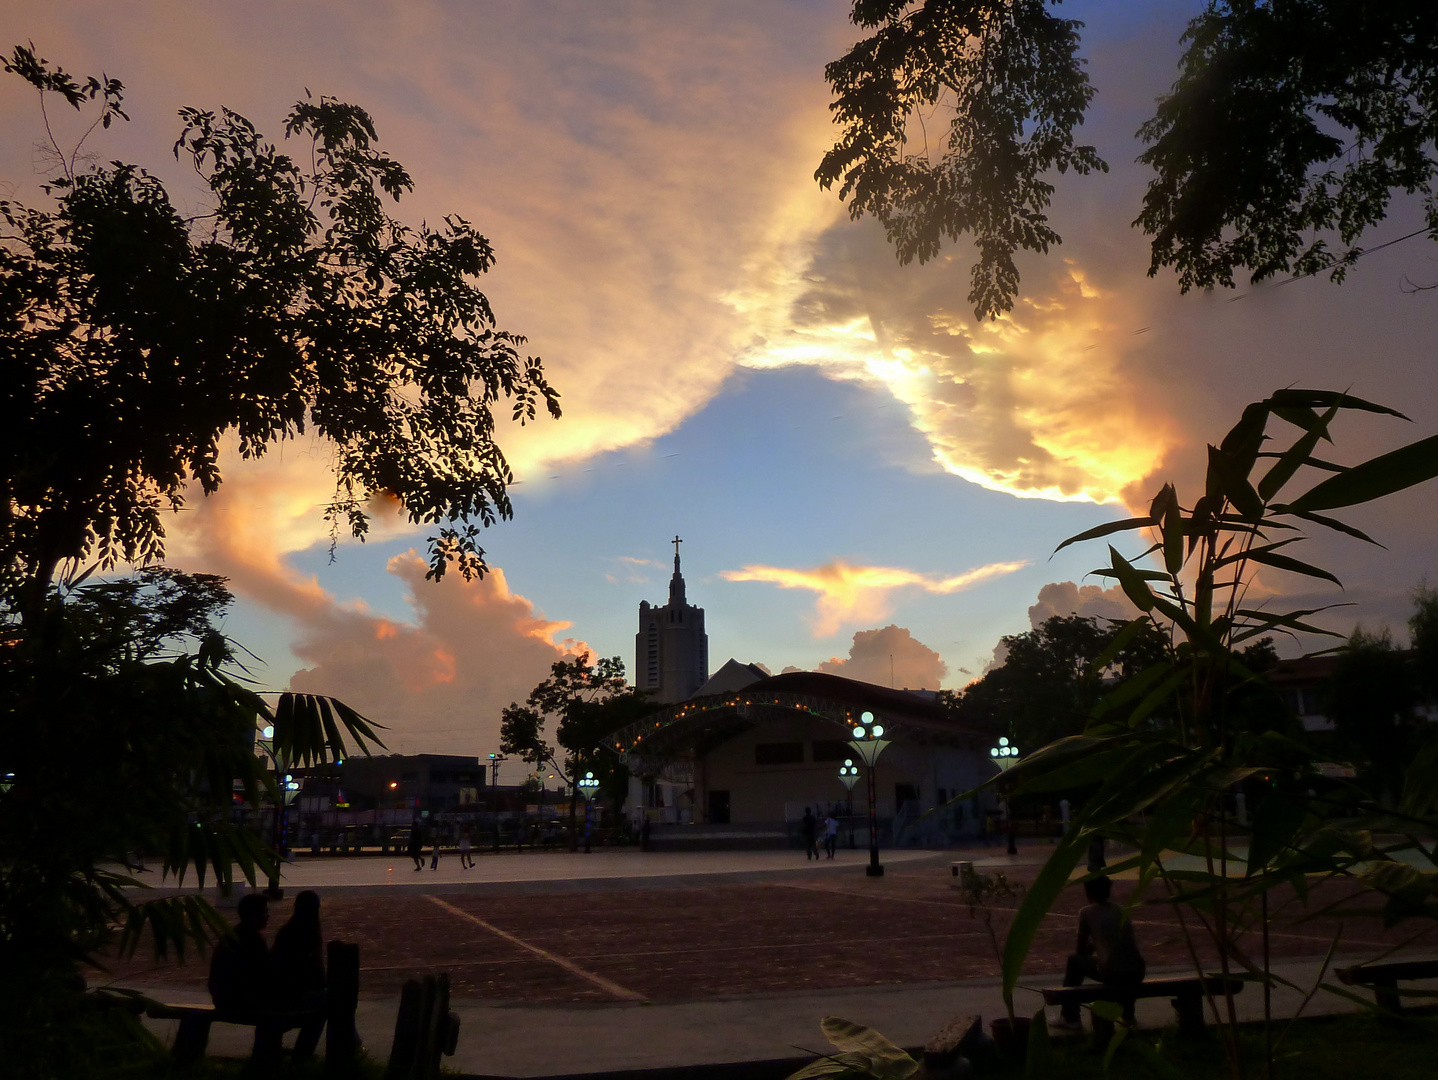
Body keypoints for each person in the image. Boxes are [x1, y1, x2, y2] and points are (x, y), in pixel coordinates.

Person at [1055, 876, 1146, 1029]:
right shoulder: (1121, 910)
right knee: (1124, 967)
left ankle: (1070, 1016)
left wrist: (1093, 947)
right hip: (1137, 970)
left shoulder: (1086, 912)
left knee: (1074, 961)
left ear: (1088, 893)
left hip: (1114, 973)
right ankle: (1128, 1015)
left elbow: (1080, 951)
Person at [270, 890, 327, 1060]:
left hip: (282, 992)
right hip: (291, 995)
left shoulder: (287, 931)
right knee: (329, 1003)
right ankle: (303, 1054)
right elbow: (316, 973)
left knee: (328, 1000)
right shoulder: (309, 934)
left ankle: (302, 1054)